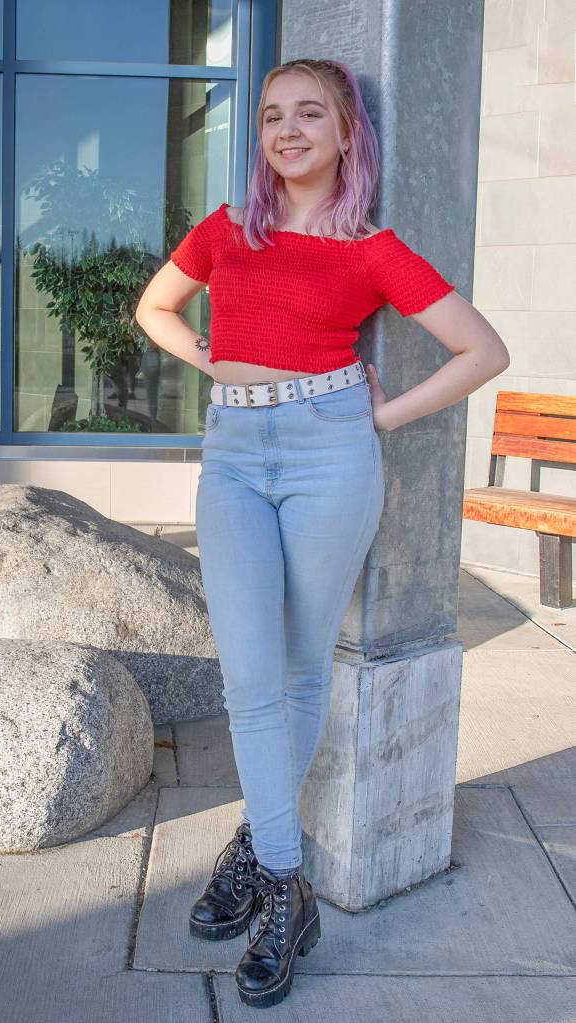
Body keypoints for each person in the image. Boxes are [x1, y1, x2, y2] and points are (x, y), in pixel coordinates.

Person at [135, 57, 509, 1010]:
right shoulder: (226, 230)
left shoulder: (371, 249)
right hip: (232, 455)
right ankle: (284, 876)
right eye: (271, 116)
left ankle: (259, 852)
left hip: (330, 452)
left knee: (302, 670)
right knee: (249, 674)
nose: (287, 131)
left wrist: (378, 417)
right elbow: (154, 308)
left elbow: (482, 350)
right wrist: (213, 360)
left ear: (347, 134)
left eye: (309, 114)